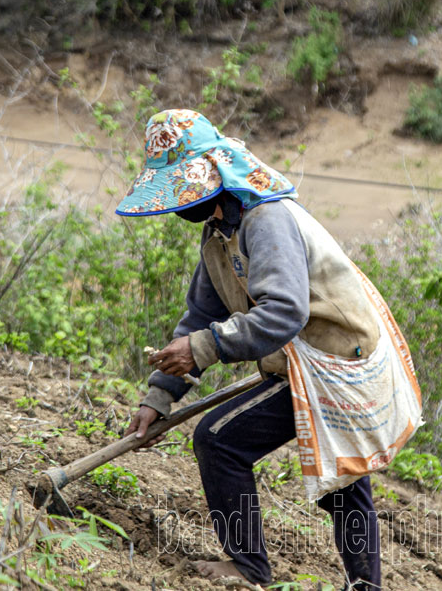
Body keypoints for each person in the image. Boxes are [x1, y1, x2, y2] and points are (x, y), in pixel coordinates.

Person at [119, 109, 388, 590]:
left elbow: (284, 313)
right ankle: (366, 586)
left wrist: (203, 349)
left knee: (220, 440)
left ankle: (247, 566)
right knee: (344, 483)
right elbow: (202, 314)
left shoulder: (266, 220)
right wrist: (158, 397)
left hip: (335, 361)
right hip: (303, 360)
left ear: (216, 175)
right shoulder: (218, 234)